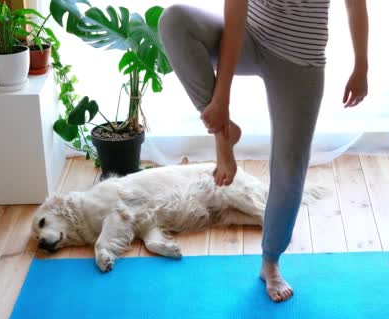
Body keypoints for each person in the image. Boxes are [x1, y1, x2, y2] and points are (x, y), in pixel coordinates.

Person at [158, 0, 369, 302]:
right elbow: (236, 9)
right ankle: (224, 135)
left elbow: (354, 5)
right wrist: (221, 102)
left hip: (300, 58)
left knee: (290, 170)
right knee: (175, 21)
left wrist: (361, 65)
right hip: (249, 36)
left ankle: (270, 262)